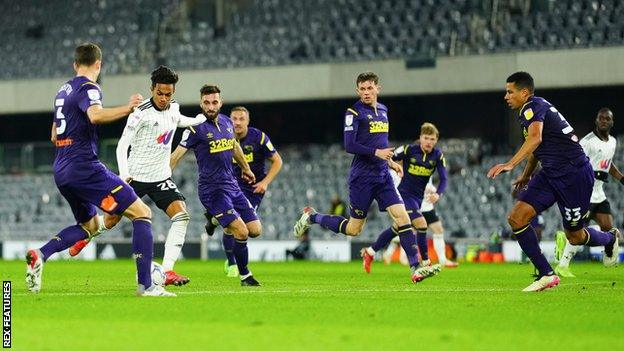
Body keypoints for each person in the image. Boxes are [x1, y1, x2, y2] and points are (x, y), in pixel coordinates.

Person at [26, 43, 175, 297]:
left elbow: (54, 134)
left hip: (61, 168)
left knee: (90, 226)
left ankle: (41, 254)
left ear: (75, 64)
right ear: (99, 64)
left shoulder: (63, 91)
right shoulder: (88, 88)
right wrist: (129, 108)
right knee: (142, 213)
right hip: (84, 166)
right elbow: (95, 116)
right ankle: (146, 286)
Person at [68, 65, 206, 286]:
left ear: (173, 93)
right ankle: (88, 235)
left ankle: (168, 271)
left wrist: (197, 120)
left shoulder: (173, 108)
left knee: (182, 216)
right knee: (111, 220)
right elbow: (122, 146)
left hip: (160, 178)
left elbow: (178, 120)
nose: (163, 98)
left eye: (168, 94)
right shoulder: (140, 113)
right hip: (135, 177)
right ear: (152, 89)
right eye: (159, 93)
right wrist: (124, 175)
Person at [293, 72, 438, 283]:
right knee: (354, 229)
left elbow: (379, 144)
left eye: (370, 88)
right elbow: (349, 145)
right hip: (362, 177)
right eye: (362, 89)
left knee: (403, 217)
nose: (366, 92)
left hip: (383, 176)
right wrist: (377, 153)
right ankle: (312, 217)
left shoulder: (384, 110)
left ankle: (416, 267)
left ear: (378, 89)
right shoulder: (353, 112)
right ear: (357, 91)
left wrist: (389, 161)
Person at [487, 71, 619, 292]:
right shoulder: (530, 111)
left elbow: (535, 138)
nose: (506, 96)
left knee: (575, 237)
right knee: (516, 218)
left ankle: (609, 239)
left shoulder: (532, 106)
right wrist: (527, 175)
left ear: (524, 92)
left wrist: (510, 164)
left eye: (510, 91)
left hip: (574, 175)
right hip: (550, 174)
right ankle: (547, 274)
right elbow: (538, 146)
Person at [170, 84, 262, 286]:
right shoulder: (194, 128)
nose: (211, 107)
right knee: (242, 232)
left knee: (255, 230)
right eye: (206, 103)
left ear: (220, 103)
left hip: (233, 186)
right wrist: (163, 176)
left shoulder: (228, 123)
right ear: (201, 103)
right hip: (212, 191)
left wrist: (246, 168)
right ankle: (245, 276)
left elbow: (234, 146)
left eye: (214, 102)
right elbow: (177, 154)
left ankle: (213, 220)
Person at [204, 106, 282, 278]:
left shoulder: (259, 137)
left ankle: (214, 220)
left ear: (248, 121)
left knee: (251, 229)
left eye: (241, 119)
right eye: (234, 119)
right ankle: (232, 264)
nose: (237, 123)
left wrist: (264, 183)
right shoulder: (222, 135)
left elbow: (277, 161)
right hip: (229, 186)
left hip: (252, 189)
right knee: (232, 226)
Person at [361, 123, 446, 275]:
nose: (428, 142)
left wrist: (438, 193)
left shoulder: (437, 156)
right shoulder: (408, 150)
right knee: (421, 224)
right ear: (420, 138)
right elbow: (388, 158)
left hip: (418, 198)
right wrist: (390, 167)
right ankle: (425, 262)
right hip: (403, 195)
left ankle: (370, 251)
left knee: (396, 228)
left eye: (432, 139)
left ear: (436, 140)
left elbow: (444, 178)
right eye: (426, 138)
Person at [555, 107, 623, 277]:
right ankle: (563, 265)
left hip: (600, 194)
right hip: (585, 194)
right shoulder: (587, 142)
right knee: (578, 234)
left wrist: (621, 178)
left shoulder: (613, 142)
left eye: (607, 119)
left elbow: (607, 163)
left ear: (612, 122)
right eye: (601, 118)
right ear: (596, 121)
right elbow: (575, 162)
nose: (604, 121)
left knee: (608, 228)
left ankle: (604, 252)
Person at [421, 179, 459, 267]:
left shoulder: (429, 167)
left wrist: (432, 190)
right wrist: (429, 188)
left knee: (438, 230)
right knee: (408, 230)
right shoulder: (417, 166)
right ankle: (402, 257)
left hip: (427, 205)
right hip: (417, 204)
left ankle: (442, 260)